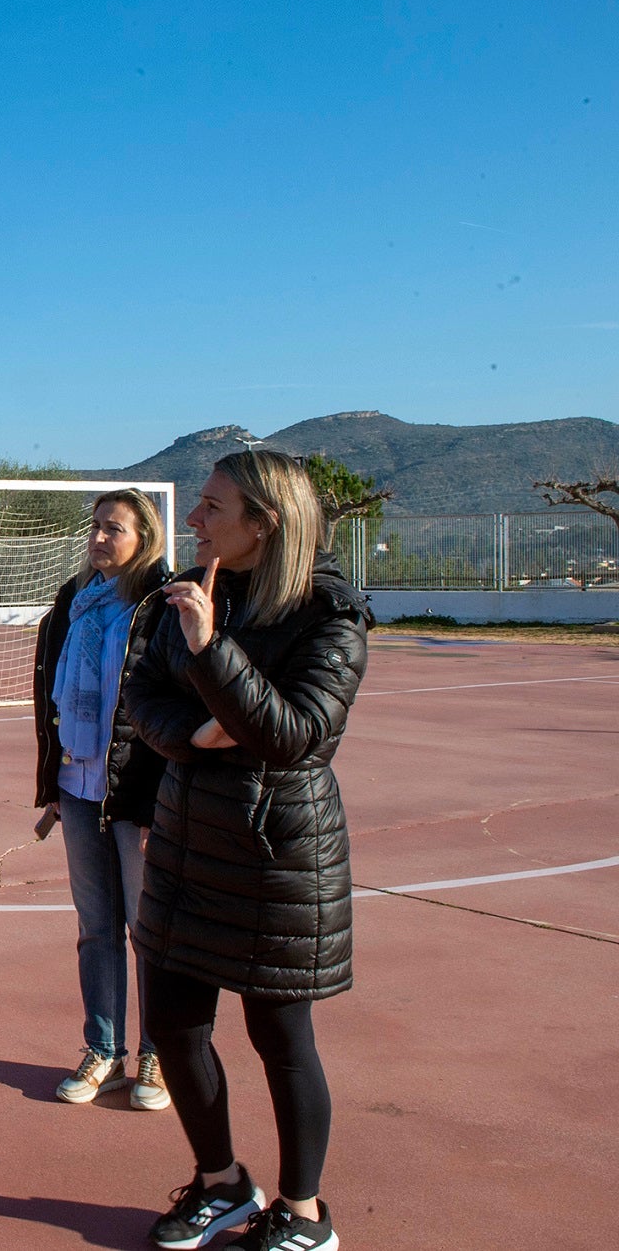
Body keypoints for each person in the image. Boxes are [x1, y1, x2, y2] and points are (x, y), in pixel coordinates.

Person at [123, 449, 369, 1251]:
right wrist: (199, 732)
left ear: (263, 524)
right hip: (188, 841)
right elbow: (144, 700)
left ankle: (304, 1214)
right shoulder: (186, 596)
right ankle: (222, 1181)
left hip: (278, 856)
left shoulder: (329, 612)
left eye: (212, 506)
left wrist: (211, 649)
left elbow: (293, 735)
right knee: (172, 1022)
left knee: (280, 1037)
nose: (192, 519)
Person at [33, 488, 173, 1111]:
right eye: (95, 527)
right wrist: (52, 788)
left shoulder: (161, 605)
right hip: (78, 785)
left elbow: (170, 708)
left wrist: (161, 801)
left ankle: (159, 1054)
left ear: (146, 537)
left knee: (151, 931)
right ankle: (104, 1050)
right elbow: (50, 701)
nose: (99, 539)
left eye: (113, 528)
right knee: (96, 929)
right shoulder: (74, 599)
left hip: (136, 793)